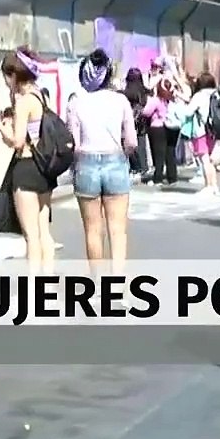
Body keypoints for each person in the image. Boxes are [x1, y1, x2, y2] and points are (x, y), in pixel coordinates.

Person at [0, 46, 57, 272]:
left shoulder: (25, 101)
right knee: (44, 232)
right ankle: (48, 285)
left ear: (14, 75)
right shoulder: (40, 97)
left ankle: (34, 291)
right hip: (43, 170)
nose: (6, 82)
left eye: (7, 76)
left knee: (31, 236)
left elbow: (16, 142)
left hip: (25, 169)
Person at [66, 50, 136, 276]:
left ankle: (96, 285)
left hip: (86, 163)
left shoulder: (77, 103)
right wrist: (124, 154)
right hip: (115, 160)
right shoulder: (121, 100)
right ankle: (117, 285)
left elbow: (73, 144)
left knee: (92, 230)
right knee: (118, 231)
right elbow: (132, 142)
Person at [141, 76, 184, 185]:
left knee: (159, 154)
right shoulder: (173, 99)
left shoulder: (156, 100)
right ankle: (172, 176)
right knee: (170, 153)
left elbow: (146, 112)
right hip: (172, 127)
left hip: (157, 128)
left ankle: (158, 178)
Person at [186, 72, 220, 196]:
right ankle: (214, 185)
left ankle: (208, 186)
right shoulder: (216, 94)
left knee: (204, 159)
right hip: (213, 130)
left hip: (201, 130)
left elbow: (188, 112)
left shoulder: (199, 95)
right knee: (210, 159)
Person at [121, 68, 150, 177]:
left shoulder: (126, 93)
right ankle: (143, 167)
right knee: (141, 144)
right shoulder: (144, 91)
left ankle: (135, 167)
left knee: (129, 143)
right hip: (142, 121)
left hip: (129, 121)